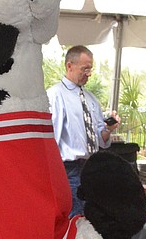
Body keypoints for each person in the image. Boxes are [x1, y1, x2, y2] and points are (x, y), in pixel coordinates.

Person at [47, 45, 117, 216]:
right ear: (69, 66)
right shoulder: (55, 95)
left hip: (90, 167)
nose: (89, 73)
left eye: (90, 69)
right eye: (85, 68)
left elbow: (101, 139)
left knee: (89, 219)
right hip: (68, 169)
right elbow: (51, 137)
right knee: (74, 220)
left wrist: (108, 128)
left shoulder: (90, 99)